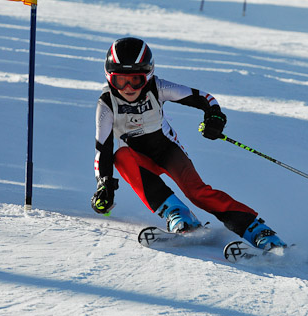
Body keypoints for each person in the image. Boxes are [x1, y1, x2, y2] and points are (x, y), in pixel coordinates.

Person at [91, 37, 286, 250]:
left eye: (136, 80)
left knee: (197, 192)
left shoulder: (159, 87)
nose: (128, 88)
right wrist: (105, 184)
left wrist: (214, 118)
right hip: (137, 159)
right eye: (121, 81)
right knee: (120, 156)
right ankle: (178, 214)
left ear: (147, 76)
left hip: (167, 150)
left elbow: (204, 98)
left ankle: (258, 231)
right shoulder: (107, 102)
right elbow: (103, 147)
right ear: (110, 78)